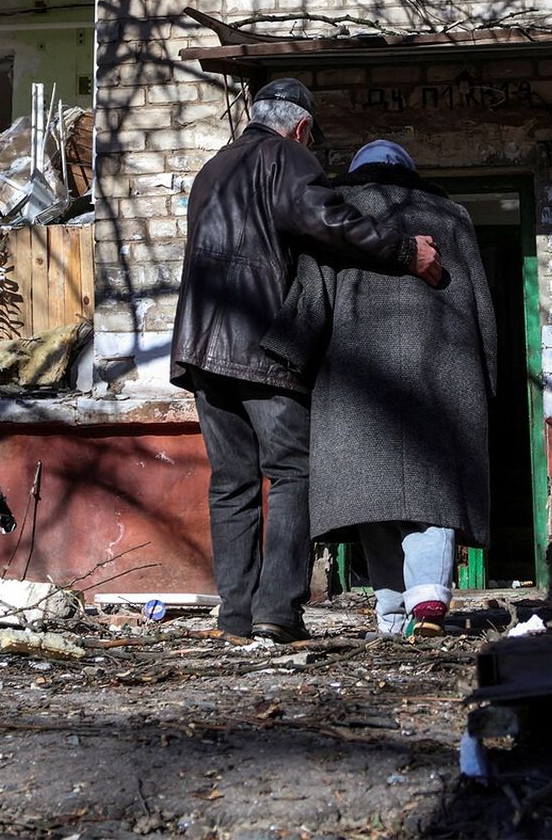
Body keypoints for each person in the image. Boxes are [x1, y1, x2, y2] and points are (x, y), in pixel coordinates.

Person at [170, 81, 443, 644]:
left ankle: (236, 617)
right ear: (300, 128)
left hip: (201, 346)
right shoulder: (285, 157)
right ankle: (277, 611)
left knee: (231, 483)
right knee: (292, 474)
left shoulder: (212, 169)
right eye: (311, 136)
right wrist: (403, 250)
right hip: (263, 343)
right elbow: (330, 221)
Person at [263, 140, 497, 639]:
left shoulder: (339, 215)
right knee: (432, 494)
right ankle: (428, 596)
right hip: (443, 373)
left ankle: (392, 615)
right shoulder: (453, 215)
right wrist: (488, 378)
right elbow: (482, 302)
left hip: (356, 381)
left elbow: (312, 293)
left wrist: (286, 357)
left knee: (371, 499)